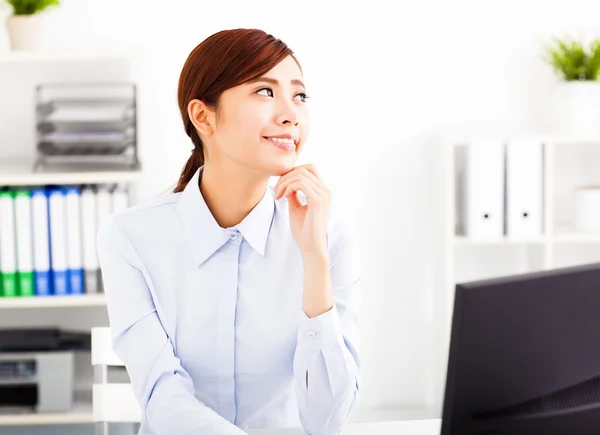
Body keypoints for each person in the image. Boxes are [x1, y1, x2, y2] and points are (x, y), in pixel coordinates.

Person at [97, 28, 361, 435]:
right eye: (265, 92)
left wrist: (314, 259)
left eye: (299, 95)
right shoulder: (130, 239)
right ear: (203, 116)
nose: (290, 113)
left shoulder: (327, 236)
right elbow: (163, 398)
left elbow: (327, 420)